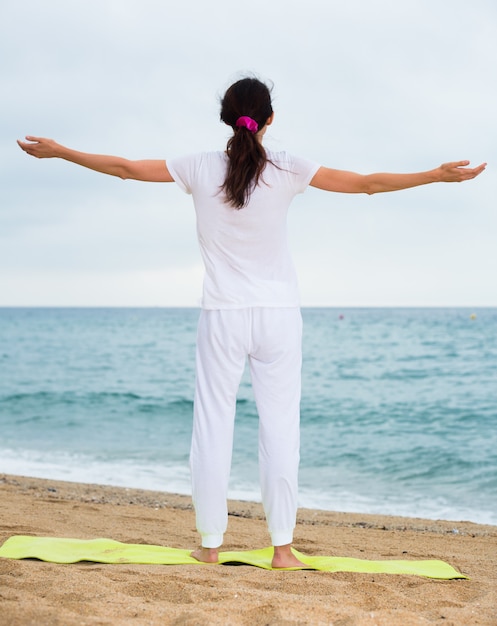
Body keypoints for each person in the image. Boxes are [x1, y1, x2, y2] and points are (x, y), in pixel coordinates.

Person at [17, 76, 486, 569]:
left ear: (225, 117)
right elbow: (366, 184)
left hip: (222, 316)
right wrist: (433, 176)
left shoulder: (197, 166)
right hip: (279, 317)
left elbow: (124, 170)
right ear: (269, 120)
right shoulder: (288, 168)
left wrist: (62, 152)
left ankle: (211, 545)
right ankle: (282, 548)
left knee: (212, 429)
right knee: (281, 430)